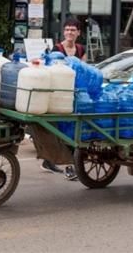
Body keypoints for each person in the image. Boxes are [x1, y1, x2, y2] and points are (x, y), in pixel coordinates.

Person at [41, 17, 86, 181]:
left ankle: (52, 161)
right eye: (67, 29)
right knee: (62, 128)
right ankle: (66, 164)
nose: (69, 32)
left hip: (75, 95)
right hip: (59, 93)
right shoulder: (57, 48)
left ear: (78, 33)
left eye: (73, 30)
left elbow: (84, 70)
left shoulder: (81, 49)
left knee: (69, 129)